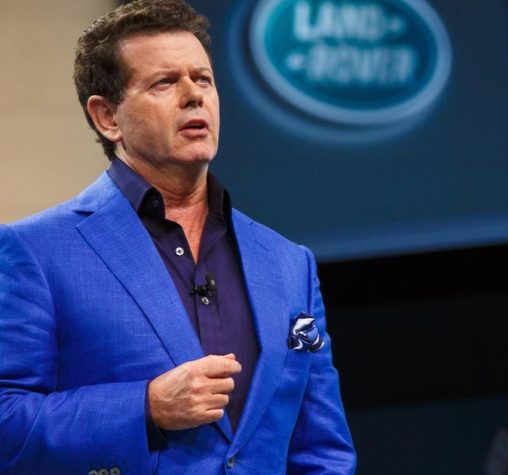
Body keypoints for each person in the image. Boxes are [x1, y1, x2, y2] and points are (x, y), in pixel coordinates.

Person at [0, 1, 356, 473]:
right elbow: (6, 421)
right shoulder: (36, 252)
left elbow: (322, 448)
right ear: (107, 117)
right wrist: (145, 407)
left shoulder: (289, 263)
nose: (194, 96)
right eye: (164, 82)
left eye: (203, 79)